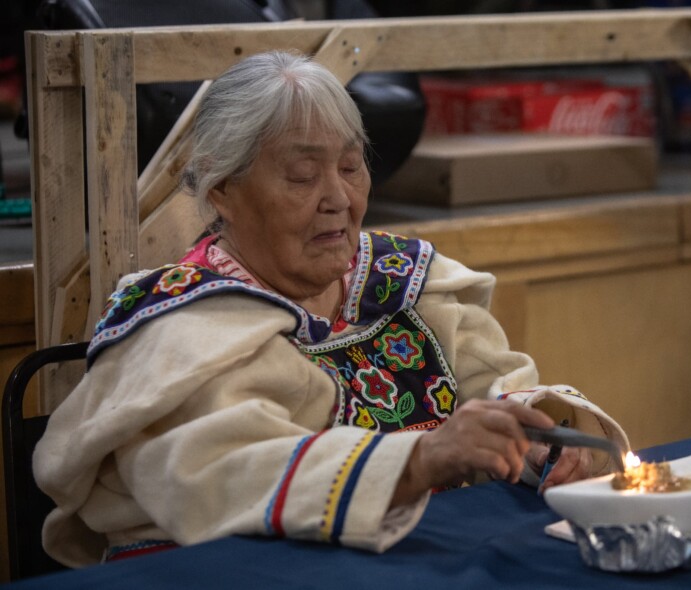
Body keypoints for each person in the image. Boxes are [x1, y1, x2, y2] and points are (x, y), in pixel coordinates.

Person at [33, 51, 628, 567]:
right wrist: (420, 457)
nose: (339, 199)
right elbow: (228, 472)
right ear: (222, 190)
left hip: (413, 558)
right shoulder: (180, 327)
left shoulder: (407, 283)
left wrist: (539, 442)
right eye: (301, 175)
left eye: (350, 167)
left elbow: (495, 387)